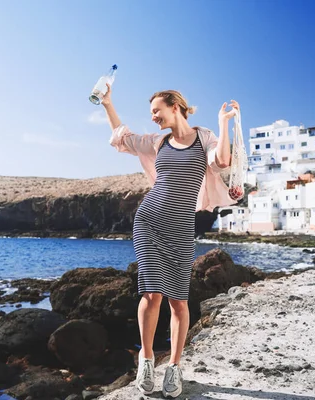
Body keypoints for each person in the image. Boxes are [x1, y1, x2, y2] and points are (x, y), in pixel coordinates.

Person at [103, 83, 239, 398]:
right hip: (149, 221)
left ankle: (174, 367)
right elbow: (122, 140)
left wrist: (224, 122)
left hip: (180, 228)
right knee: (151, 294)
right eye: (151, 113)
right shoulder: (158, 142)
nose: (153, 117)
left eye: (156, 111)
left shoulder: (204, 138)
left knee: (179, 302)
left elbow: (222, 161)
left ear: (174, 105)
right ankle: (147, 358)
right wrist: (108, 104)